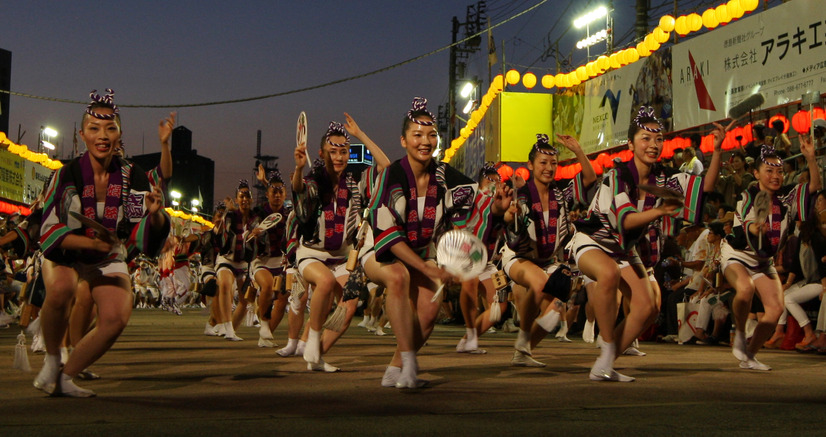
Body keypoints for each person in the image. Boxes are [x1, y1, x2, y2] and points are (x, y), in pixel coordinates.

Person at [365, 97, 511, 388]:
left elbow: (478, 200)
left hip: (421, 250)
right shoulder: (391, 175)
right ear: (404, 140)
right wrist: (429, 268)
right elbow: (389, 235)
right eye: (417, 135)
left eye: (431, 135)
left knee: (429, 314)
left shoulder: (444, 175)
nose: (425, 141)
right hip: (381, 249)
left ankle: (396, 367)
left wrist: (497, 207)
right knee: (398, 276)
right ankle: (409, 365)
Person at [571, 106, 723, 382]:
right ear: (630, 144)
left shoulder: (664, 177)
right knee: (608, 273)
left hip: (625, 250)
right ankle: (605, 348)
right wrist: (660, 211)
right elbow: (625, 221)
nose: (653, 145)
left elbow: (705, 189)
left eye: (658, 139)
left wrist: (718, 149)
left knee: (648, 307)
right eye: (645, 138)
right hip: (594, 241)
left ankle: (605, 363)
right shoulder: (618, 175)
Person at [34, 89, 169, 397]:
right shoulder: (65, 173)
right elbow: (50, 229)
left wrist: (156, 214)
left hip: (107, 254)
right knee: (62, 289)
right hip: (69, 251)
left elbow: (144, 232)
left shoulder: (132, 175)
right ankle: (53, 359)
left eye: (110, 128)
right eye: (94, 129)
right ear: (82, 134)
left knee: (116, 316)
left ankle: (65, 378)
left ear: (119, 134)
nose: (102, 135)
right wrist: (91, 245)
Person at [293, 116, 389, 372]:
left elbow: (386, 166)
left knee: (348, 309)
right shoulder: (314, 180)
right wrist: (299, 168)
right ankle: (309, 339)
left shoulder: (354, 182)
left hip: (342, 258)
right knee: (322, 283)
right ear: (322, 153)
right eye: (333, 152)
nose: (338, 157)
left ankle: (318, 355)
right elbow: (299, 190)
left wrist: (360, 134)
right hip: (312, 254)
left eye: (343, 152)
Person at [722, 135, 822, 371]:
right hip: (738, 253)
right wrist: (757, 227)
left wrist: (810, 158)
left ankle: (749, 355)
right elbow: (747, 226)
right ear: (756, 174)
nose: (775, 176)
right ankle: (738, 331)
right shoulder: (748, 195)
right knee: (745, 289)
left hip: (763, 260)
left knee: (775, 310)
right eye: (768, 171)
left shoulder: (787, 198)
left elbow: (814, 188)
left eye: (778, 171)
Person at [503, 134, 596, 366]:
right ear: (531, 165)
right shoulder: (522, 196)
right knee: (539, 284)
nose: (548, 168)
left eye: (553, 163)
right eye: (543, 163)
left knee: (556, 309)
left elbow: (590, 178)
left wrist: (578, 150)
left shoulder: (561, 193)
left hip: (547, 260)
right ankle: (523, 339)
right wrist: (508, 215)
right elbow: (510, 221)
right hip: (518, 256)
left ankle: (523, 352)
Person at [249, 168, 289, 348]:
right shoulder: (258, 212)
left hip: (281, 263)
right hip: (262, 261)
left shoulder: (289, 214)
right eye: (274, 191)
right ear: (267, 194)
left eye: (281, 191)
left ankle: (266, 335)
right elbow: (247, 235)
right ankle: (263, 322)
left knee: (282, 300)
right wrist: (253, 233)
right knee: (266, 287)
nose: (278, 195)